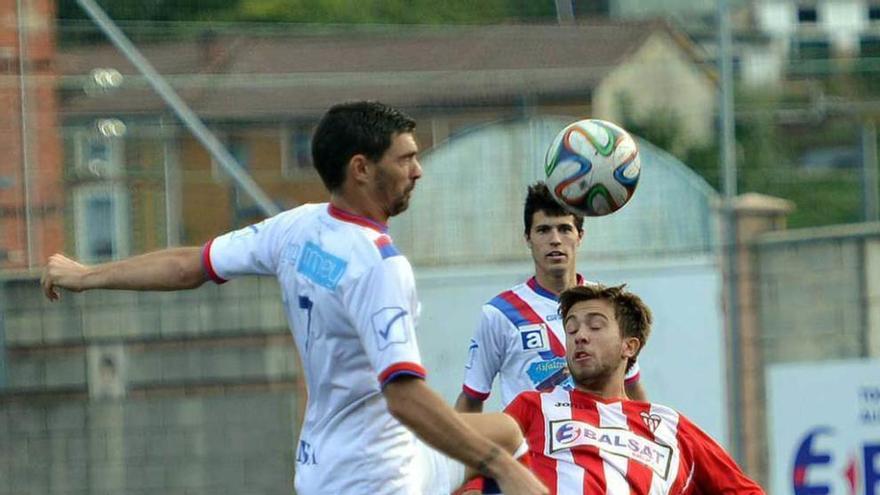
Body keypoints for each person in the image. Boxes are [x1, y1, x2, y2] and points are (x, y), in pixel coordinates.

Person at [41, 101, 547, 495]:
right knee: (503, 450)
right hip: (380, 478)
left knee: (508, 429)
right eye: (407, 158)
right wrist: (500, 467)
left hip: (324, 465)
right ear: (361, 169)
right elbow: (405, 397)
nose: (419, 171)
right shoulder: (380, 267)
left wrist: (86, 274)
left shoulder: (297, 227)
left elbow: (186, 265)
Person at [458, 284, 764, 494]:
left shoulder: (671, 426)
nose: (579, 336)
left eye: (594, 326)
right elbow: (473, 465)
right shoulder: (534, 406)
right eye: (572, 328)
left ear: (629, 346)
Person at [455, 183, 645, 415]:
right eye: (543, 230)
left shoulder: (607, 304)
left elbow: (632, 389)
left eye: (564, 229)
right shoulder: (500, 313)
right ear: (528, 238)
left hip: (599, 446)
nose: (555, 240)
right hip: (530, 449)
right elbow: (472, 398)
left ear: (580, 236)